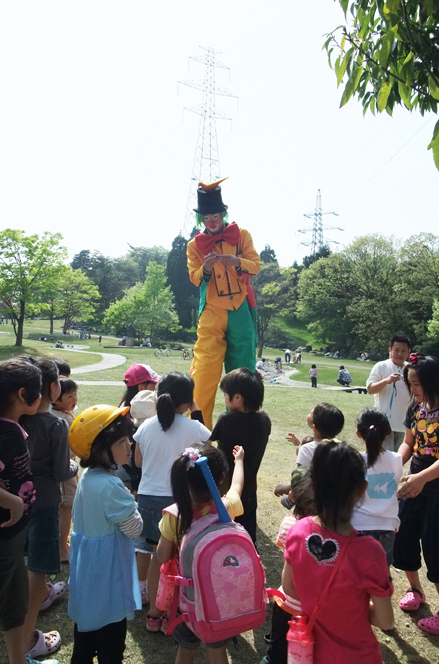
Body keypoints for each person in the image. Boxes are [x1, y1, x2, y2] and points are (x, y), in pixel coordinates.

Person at [282, 442, 394, 664]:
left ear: (312, 487)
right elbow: (385, 620)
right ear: (363, 489)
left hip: (308, 653)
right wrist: (351, 610)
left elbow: (289, 588)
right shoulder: (370, 552)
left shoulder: (297, 531)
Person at [134, 372, 211, 632]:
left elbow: (137, 462)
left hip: (147, 497)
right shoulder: (195, 428)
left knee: (148, 551)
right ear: (188, 401)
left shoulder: (145, 425)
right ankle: (172, 607)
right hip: (178, 502)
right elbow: (209, 458)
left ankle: (145, 594)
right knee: (175, 559)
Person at [156, 443, 244, 664]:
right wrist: (240, 461)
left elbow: (161, 555)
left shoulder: (175, 515)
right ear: (221, 477)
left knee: (185, 650)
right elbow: (237, 485)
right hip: (219, 596)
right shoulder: (226, 507)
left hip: (186, 598)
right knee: (217, 649)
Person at [68, 405, 143, 664]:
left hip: (88, 570)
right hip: (107, 574)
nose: (130, 444)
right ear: (100, 450)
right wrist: (132, 504)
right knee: (111, 638)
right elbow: (134, 528)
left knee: (86, 632)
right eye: (122, 441)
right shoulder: (111, 486)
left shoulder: (89, 477)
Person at [187, 178, 260, 429]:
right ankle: (196, 432)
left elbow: (255, 265)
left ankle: (239, 430)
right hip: (211, 312)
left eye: (215, 215)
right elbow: (194, 277)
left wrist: (236, 261)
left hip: (240, 309)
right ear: (201, 220)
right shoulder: (193, 246)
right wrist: (205, 270)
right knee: (204, 373)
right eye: (206, 217)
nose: (211, 221)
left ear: (223, 214)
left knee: (242, 374)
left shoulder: (242, 236)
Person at [0, 358, 60, 664]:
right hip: (5, 535)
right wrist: (13, 501)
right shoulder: (6, 434)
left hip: (15, 533)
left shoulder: (15, 426)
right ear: (24, 395)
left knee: (15, 603)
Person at [20, 358, 78, 660]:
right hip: (44, 505)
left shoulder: (18, 419)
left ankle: (40, 596)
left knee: (23, 561)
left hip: (19, 504)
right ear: (53, 387)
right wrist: (73, 465)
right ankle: (29, 639)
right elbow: (59, 471)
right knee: (38, 569)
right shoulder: (55, 424)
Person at [393, 353, 439, 634]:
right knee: (405, 537)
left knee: (435, 547)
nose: (414, 390)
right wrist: (395, 464)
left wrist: (421, 478)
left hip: (433, 485)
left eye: (418, 384)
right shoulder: (415, 407)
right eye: (410, 384)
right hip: (415, 481)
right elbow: (409, 442)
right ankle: (415, 590)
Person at [211, 368, 271, 544]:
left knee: (223, 536)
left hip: (225, 491)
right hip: (250, 489)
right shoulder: (264, 421)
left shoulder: (226, 420)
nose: (224, 399)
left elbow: (209, 438)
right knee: (247, 536)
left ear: (237, 397)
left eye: (225, 395)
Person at [262, 468, 315, 664]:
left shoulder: (289, 525)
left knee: (275, 654)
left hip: (287, 604)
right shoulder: (332, 532)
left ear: (293, 496)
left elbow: (282, 544)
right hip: (315, 609)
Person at [120, 364, 160, 606]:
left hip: (130, 480)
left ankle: (134, 578)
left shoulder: (122, 410)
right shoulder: (138, 419)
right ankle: (141, 585)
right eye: (152, 385)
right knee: (139, 536)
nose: (155, 389)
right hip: (135, 481)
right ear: (142, 387)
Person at [351, 408, 403, 566]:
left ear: (358, 434)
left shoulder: (356, 460)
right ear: (387, 433)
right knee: (381, 572)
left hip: (360, 525)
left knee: (359, 572)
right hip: (387, 527)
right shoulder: (397, 459)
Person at [366, 335, 411, 451]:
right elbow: (370, 389)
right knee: (383, 456)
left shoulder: (411, 369)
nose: (400, 354)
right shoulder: (381, 366)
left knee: (396, 458)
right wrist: (386, 381)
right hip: (384, 423)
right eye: (396, 350)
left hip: (404, 424)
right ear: (390, 350)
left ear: (409, 352)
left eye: (403, 351)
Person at [51, 377, 79, 563]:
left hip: (59, 468)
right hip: (65, 468)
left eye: (75, 394)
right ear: (56, 399)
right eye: (70, 396)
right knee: (67, 507)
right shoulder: (62, 419)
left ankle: (60, 544)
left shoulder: (54, 413)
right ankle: (61, 548)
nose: (74, 399)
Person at [295, 402, 345, 469]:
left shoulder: (306, 450)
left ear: (314, 427)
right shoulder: (344, 449)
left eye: (310, 413)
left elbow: (300, 477)